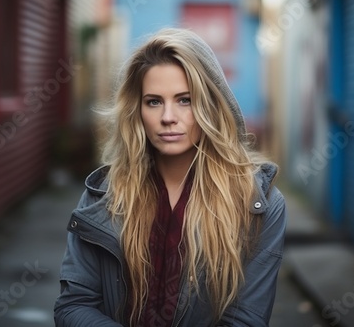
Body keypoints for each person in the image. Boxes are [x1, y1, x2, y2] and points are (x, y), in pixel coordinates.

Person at [54, 28, 286, 327]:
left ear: (211, 105)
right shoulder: (103, 197)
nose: (167, 117)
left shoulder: (258, 204)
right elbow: (74, 306)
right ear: (136, 110)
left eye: (184, 100)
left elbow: (245, 320)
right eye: (153, 101)